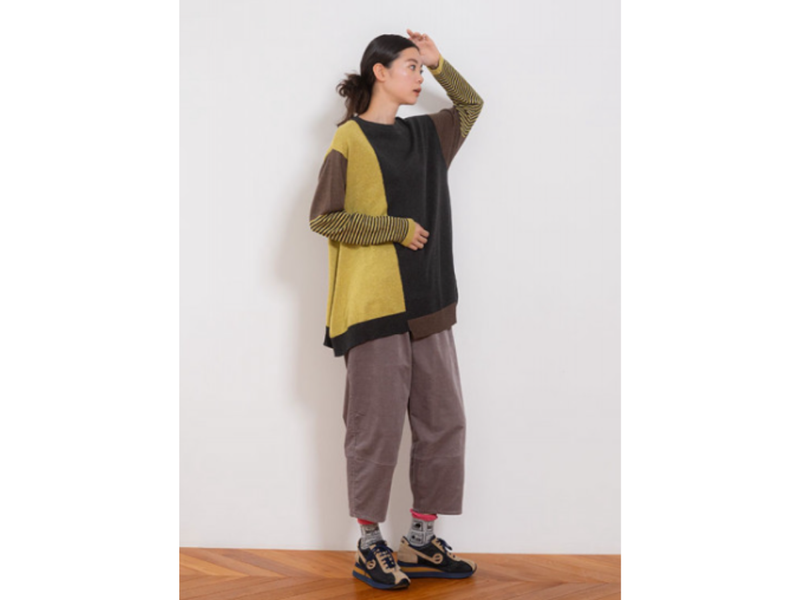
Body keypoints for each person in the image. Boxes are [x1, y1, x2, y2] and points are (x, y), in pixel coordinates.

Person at [308, 29, 483, 591]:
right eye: (411, 66)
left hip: (429, 302)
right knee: (374, 428)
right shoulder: (348, 140)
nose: (420, 76)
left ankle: (421, 539)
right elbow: (324, 217)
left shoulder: (427, 135)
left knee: (443, 422)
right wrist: (394, 228)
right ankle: (370, 544)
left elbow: (471, 106)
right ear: (378, 72)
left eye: (421, 68)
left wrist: (440, 60)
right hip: (375, 309)